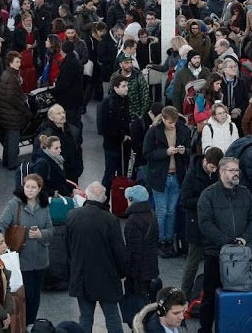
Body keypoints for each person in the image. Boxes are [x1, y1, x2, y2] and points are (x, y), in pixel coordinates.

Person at [196, 155, 252, 333]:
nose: (236, 174)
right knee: (210, 295)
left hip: (241, 257)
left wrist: (244, 239)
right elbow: (205, 224)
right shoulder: (208, 195)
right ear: (222, 172)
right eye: (232, 170)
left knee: (238, 295)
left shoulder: (245, 193)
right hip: (215, 254)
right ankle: (205, 329)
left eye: (237, 170)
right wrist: (227, 243)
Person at [64, 181, 127, 333]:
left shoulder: (72, 216)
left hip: (82, 275)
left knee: (85, 317)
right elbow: (119, 251)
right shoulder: (110, 219)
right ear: (104, 199)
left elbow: (68, 247)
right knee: (112, 318)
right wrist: (122, 273)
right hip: (107, 277)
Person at [0, 172, 53, 327]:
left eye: (33, 187)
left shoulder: (44, 206)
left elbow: (50, 229)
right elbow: (1, 225)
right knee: (24, 294)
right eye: (27, 186)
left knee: (35, 295)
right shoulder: (14, 204)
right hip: (21, 258)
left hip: (40, 258)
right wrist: (2, 243)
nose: (30, 190)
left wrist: (41, 234)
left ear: (39, 189)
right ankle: (22, 323)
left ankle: (30, 323)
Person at [142, 105, 192, 258]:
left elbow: (190, 150)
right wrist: (165, 152)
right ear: (163, 119)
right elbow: (147, 154)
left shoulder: (183, 130)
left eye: (174, 122)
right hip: (159, 177)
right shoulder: (153, 132)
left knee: (171, 211)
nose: (173, 125)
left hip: (176, 175)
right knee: (162, 211)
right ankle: (161, 241)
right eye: (170, 122)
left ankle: (169, 240)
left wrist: (184, 151)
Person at [179, 146, 221, 298]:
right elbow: (185, 201)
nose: (213, 170)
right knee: (193, 263)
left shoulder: (216, 174)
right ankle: (184, 294)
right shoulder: (192, 176)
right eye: (212, 167)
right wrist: (205, 200)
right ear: (205, 161)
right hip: (196, 224)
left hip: (212, 225)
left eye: (216, 168)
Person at [121, 185, 160, 324]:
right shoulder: (152, 214)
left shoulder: (133, 221)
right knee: (148, 302)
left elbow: (134, 251)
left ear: (131, 200)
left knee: (138, 307)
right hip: (151, 267)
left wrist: (130, 273)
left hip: (139, 271)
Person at [100, 74, 132, 196]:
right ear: (115, 87)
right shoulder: (107, 103)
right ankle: (103, 200)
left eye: (127, 86)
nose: (126, 88)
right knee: (109, 173)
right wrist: (120, 136)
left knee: (122, 174)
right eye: (123, 86)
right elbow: (104, 127)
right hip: (111, 145)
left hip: (124, 144)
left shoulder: (125, 100)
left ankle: (119, 201)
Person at [0, 50, 29, 169]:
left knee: (8, 140)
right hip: (13, 114)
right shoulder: (12, 77)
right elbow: (11, 97)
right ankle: (12, 162)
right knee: (13, 140)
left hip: (6, 113)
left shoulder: (6, 74)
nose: (19, 64)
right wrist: (23, 106)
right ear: (10, 63)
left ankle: (7, 160)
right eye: (16, 62)